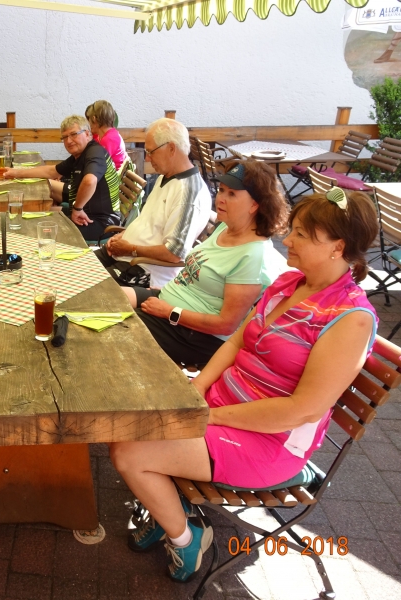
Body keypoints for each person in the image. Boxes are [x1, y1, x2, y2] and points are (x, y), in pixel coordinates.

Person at [109, 188, 379, 582]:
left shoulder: (350, 318)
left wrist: (210, 416)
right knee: (123, 410)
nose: (288, 240)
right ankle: (171, 511)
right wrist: (198, 388)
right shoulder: (289, 283)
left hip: (267, 441)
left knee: (130, 451)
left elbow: (300, 411)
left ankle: (187, 537)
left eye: (302, 235)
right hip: (222, 407)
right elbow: (237, 340)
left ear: (337, 247)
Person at [129, 160, 289, 366]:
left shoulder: (253, 257)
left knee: (115, 330)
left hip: (192, 335)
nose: (220, 198)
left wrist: (170, 312)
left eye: (232, 194)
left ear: (255, 204)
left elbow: (226, 325)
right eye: (221, 190)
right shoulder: (225, 228)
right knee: (106, 299)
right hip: (167, 302)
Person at [95, 118, 211, 289]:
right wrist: (124, 235)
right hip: (125, 255)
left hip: (144, 268)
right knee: (75, 269)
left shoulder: (189, 193)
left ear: (171, 148)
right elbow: (150, 223)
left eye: (151, 152)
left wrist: (130, 248)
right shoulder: (165, 177)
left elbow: (174, 253)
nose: (148, 158)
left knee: (85, 289)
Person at [0, 115, 120, 242]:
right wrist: (16, 173)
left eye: (74, 134)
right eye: (65, 137)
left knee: (39, 232)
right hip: (86, 216)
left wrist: (77, 208)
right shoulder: (79, 155)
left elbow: (90, 181)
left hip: (101, 224)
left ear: (88, 134)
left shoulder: (95, 153)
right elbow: (51, 171)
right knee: (34, 219)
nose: (69, 141)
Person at [85, 100, 127, 170]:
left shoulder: (109, 139)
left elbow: (98, 164)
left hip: (114, 176)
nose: (88, 123)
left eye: (89, 119)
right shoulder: (104, 135)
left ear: (94, 119)